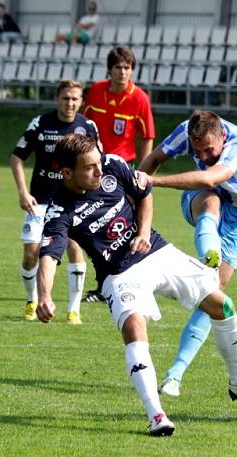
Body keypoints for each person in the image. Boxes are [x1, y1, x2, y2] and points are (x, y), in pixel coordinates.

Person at [36, 134, 237, 436]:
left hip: (155, 250)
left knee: (222, 305)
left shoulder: (113, 165)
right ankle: (156, 415)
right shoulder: (59, 209)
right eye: (89, 168)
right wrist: (45, 295)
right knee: (134, 328)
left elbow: (144, 192)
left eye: (98, 163)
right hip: (119, 274)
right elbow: (49, 255)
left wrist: (142, 232)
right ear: (67, 173)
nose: (99, 171)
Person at [137, 110, 237, 397]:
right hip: (204, 198)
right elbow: (154, 159)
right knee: (209, 200)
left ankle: (175, 374)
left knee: (214, 293)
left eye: (209, 149)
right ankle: (209, 253)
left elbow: (212, 175)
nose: (203, 154)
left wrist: (155, 182)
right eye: (197, 151)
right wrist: (135, 194)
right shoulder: (188, 129)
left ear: (222, 136)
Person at [10, 80, 99, 323]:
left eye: (75, 99)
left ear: (81, 101)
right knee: (31, 253)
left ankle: (74, 309)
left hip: (72, 201)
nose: (70, 103)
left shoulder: (87, 126)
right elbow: (17, 157)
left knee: (74, 247)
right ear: (57, 99)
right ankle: (32, 300)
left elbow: (97, 163)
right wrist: (22, 192)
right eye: (66, 98)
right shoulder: (41, 123)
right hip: (39, 201)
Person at [81, 46, 155, 303]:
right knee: (92, 226)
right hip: (92, 167)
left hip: (123, 168)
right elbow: (83, 124)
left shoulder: (140, 99)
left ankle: (129, 276)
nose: (123, 72)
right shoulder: (96, 92)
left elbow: (147, 137)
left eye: (127, 68)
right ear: (109, 70)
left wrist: (142, 173)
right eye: (118, 68)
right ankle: (105, 283)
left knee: (126, 224)